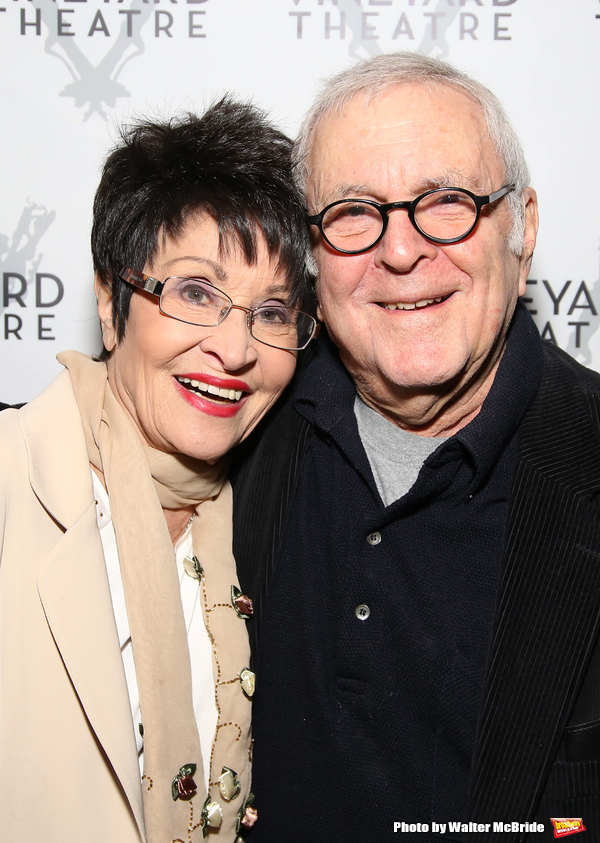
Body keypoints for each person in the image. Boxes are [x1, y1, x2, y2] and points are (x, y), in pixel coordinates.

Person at [232, 54, 600, 841]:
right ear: (309, 255)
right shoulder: (238, 429)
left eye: (447, 202)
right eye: (355, 212)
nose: (400, 252)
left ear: (523, 226)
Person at [0, 99, 316, 842]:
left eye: (271, 311)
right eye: (196, 293)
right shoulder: (12, 483)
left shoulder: (265, 521)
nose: (235, 350)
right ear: (112, 302)